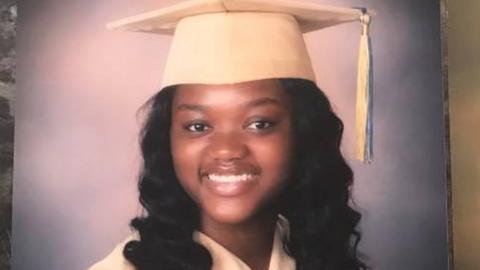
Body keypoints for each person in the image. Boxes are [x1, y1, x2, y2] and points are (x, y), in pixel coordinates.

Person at [89, 0, 373, 269]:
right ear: (168, 142)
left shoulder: (317, 253)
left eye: (259, 123)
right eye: (198, 127)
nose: (226, 150)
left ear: (303, 133)